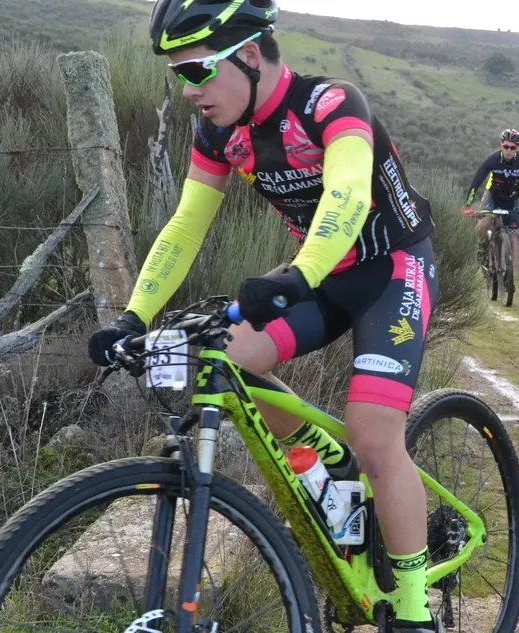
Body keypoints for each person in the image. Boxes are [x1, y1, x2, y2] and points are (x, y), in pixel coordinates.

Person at [87, 1, 441, 631]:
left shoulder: (331, 105)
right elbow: (186, 225)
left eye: (195, 70)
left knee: (373, 436)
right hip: (319, 272)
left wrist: (297, 275)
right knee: (224, 360)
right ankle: (320, 453)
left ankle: (415, 609)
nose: (187, 89)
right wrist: (133, 318)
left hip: (391, 270)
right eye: (176, 74)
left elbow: (347, 194)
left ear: (249, 55)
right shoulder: (220, 131)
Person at [461, 129, 519, 268]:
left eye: (512, 148)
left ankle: (510, 270)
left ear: (518, 147)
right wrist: (468, 204)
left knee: (512, 237)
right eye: (506, 146)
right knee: (484, 222)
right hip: (492, 195)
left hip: (513, 198)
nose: (508, 150)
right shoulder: (492, 160)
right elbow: (476, 182)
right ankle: (481, 248)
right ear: (501, 145)